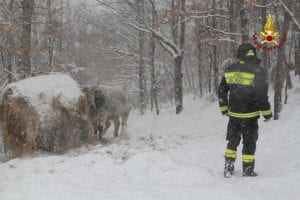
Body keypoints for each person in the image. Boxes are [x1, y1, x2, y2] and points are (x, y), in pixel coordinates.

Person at [218, 43, 272, 178]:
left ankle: (228, 167)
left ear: (240, 53)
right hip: (251, 116)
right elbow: (261, 95)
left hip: (234, 115)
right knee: (249, 142)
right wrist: (267, 113)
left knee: (232, 141)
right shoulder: (258, 70)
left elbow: (222, 90)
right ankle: (248, 170)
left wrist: (224, 108)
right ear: (253, 53)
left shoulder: (230, 69)